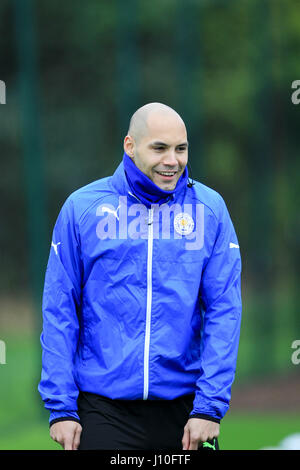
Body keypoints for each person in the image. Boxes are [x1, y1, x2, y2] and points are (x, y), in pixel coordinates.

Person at [38, 102, 242, 451]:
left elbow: (224, 310)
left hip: (186, 410)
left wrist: (209, 406)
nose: (173, 160)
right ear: (130, 146)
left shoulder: (209, 210)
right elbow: (59, 309)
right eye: (159, 148)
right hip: (103, 409)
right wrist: (62, 408)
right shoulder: (82, 208)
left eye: (181, 148)